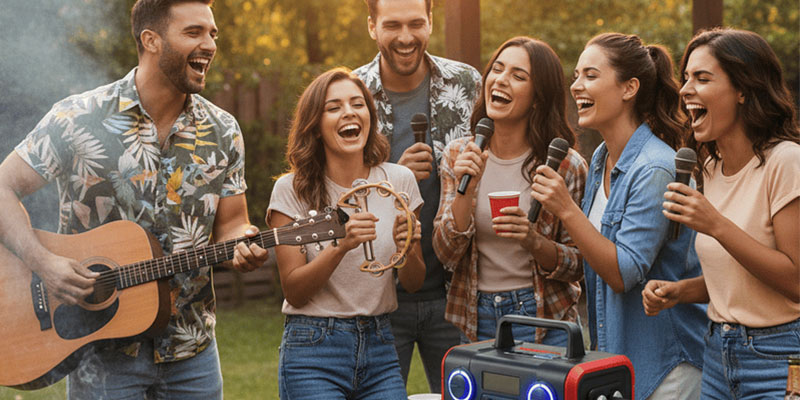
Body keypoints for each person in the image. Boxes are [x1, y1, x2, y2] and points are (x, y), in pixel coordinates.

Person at [0, 0, 269, 398]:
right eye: (193, 32)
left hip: (192, 349)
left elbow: (232, 224)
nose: (210, 44)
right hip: (100, 354)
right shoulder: (77, 117)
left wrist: (242, 243)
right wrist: (44, 263)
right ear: (151, 40)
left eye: (213, 34)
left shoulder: (223, 131)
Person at [530, 33, 707, 399]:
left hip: (664, 367)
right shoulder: (601, 160)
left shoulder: (655, 169)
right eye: (576, 75)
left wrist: (566, 208)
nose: (576, 85)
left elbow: (623, 273)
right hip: (618, 357)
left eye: (591, 75)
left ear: (629, 88)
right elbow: (593, 257)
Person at [642, 28, 800, 399]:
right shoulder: (710, 168)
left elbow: (795, 281)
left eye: (702, 78)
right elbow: (739, 278)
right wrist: (680, 291)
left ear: (743, 89)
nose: (685, 90)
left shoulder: (786, 162)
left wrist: (715, 225)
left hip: (779, 357)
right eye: (686, 78)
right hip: (716, 354)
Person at [269, 67, 426, 400]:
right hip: (313, 349)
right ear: (315, 125)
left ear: (369, 116)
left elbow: (413, 282)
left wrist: (409, 248)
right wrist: (340, 247)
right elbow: (295, 291)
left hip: (380, 345)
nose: (349, 113)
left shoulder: (399, 182)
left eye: (358, 104)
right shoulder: (290, 190)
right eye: (334, 107)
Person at [352, 0, 481, 393]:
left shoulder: (467, 84)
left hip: (459, 292)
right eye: (393, 25)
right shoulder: (352, 94)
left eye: (415, 24)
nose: (406, 37)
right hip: (381, 296)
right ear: (372, 26)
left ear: (430, 22)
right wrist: (393, 173)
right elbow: (334, 192)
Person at [432, 36, 587, 347]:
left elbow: (580, 265)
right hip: (475, 315)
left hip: (544, 317)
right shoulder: (458, 154)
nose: (501, 80)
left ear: (538, 98)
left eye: (518, 76)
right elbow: (445, 253)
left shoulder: (566, 166)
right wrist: (466, 191)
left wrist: (534, 241)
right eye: (497, 69)